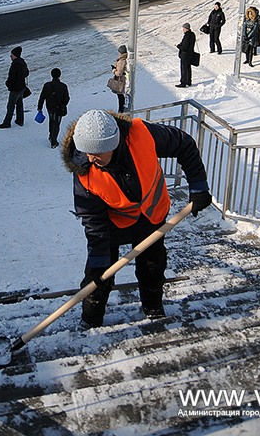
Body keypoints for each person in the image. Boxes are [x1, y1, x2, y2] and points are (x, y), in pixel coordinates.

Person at [62, 109, 212, 327]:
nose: (92, 158)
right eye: (87, 152)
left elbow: (184, 144)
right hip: (113, 224)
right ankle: (90, 321)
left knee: (153, 266)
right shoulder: (85, 171)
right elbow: (94, 222)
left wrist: (198, 187)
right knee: (99, 276)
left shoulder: (142, 135)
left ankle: (153, 309)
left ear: (113, 144)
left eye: (98, 152)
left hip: (152, 215)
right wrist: (98, 261)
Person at [37, 68, 70, 148]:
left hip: (50, 107)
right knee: (57, 123)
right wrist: (63, 105)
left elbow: (42, 97)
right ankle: (54, 141)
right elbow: (67, 98)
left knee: (51, 121)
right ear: (60, 75)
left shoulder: (47, 85)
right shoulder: (63, 86)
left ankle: (51, 136)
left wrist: (39, 107)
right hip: (59, 108)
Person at [0, 46, 30, 128]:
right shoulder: (22, 63)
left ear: (15, 55)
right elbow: (27, 74)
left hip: (15, 89)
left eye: (11, 55)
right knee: (19, 104)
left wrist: (7, 84)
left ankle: (7, 123)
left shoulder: (15, 65)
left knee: (10, 106)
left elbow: (11, 78)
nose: (10, 56)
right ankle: (20, 120)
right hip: (22, 87)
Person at [109, 45, 128, 113]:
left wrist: (114, 70)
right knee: (121, 96)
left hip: (121, 80)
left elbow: (119, 73)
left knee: (120, 96)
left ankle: (121, 111)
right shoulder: (123, 59)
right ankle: (121, 110)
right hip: (122, 80)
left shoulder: (121, 61)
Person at [176, 23, 195, 88]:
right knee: (188, 68)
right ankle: (188, 81)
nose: (183, 29)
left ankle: (183, 82)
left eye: (183, 28)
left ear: (186, 28)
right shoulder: (192, 34)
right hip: (190, 54)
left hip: (185, 55)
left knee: (184, 68)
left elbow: (185, 47)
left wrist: (178, 46)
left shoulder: (187, 36)